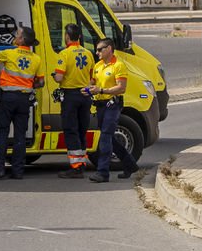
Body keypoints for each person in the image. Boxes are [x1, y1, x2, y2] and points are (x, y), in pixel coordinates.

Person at [0, 26, 43, 180]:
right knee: (20, 135)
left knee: (2, 133)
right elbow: (40, 82)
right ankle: (18, 171)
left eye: (18, 34)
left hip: (8, 99)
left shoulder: (10, 53)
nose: (15, 36)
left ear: (22, 40)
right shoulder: (36, 59)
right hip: (24, 100)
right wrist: (27, 85)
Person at [88, 38, 138, 183]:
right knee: (110, 138)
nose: (97, 52)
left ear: (109, 48)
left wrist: (102, 90)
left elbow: (121, 87)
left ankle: (103, 172)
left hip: (113, 104)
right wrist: (87, 89)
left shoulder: (118, 65)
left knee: (105, 136)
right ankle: (130, 164)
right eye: (96, 50)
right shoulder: (98, 66)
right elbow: (93, 82)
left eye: (100, 49)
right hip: (100, 105)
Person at [52, 23, 94, 176]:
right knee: (82, 130)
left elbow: (59, 77)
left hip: (70, 96)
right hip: (85, 95)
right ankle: (81, 163)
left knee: (71, 130)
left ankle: (75, 168)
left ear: (67, 37)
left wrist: (54, 75)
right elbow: (92, 78)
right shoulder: (88, 53)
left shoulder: (64, 54)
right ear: (80, 37)